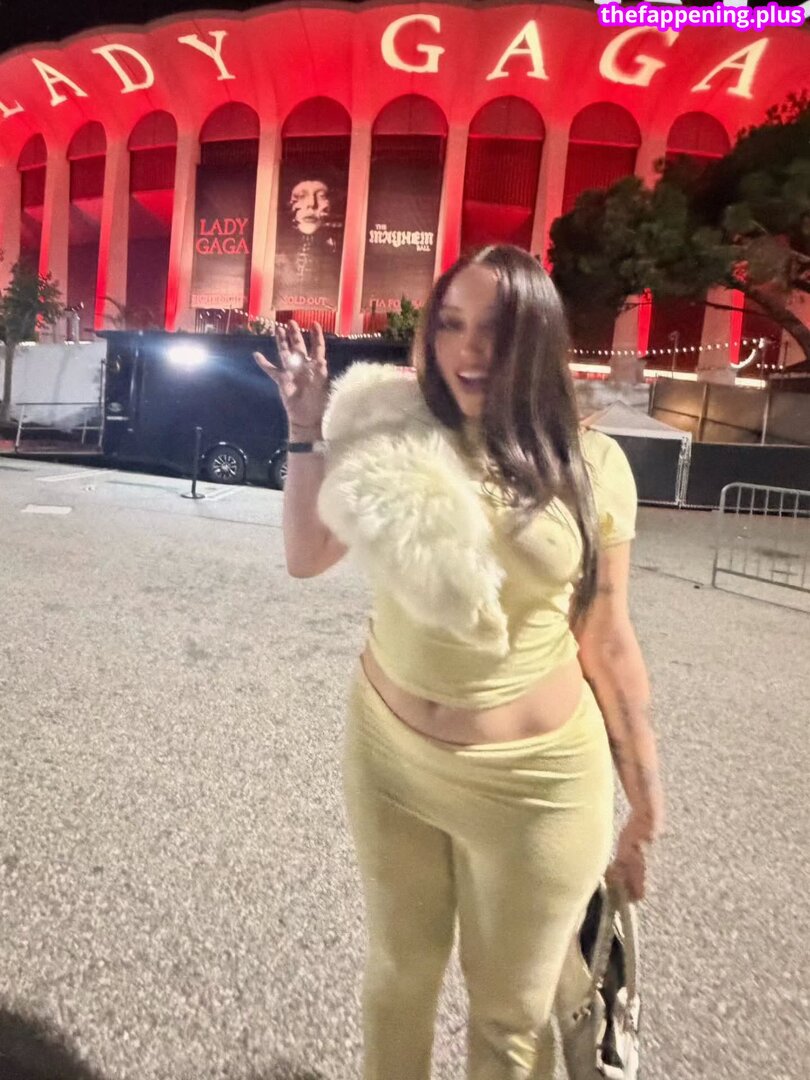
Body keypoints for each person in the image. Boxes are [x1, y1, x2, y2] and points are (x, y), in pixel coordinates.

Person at [253, 244, 664, 1080]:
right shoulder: (394, 427)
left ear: (537, 339)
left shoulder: (592, 465)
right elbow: (305, 555)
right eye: (450, 324)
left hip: (537, 787)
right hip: (390, 759)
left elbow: (608, 638)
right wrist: (304, 430)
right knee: (397, 979)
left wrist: (646, 799)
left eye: (495, 329)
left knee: (510, 1016)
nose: (469, 350)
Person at [272, 172, 344, 308]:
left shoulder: (339, 254)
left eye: (321, 196)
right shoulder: (274, 251)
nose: (311, 204)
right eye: (301, 196)